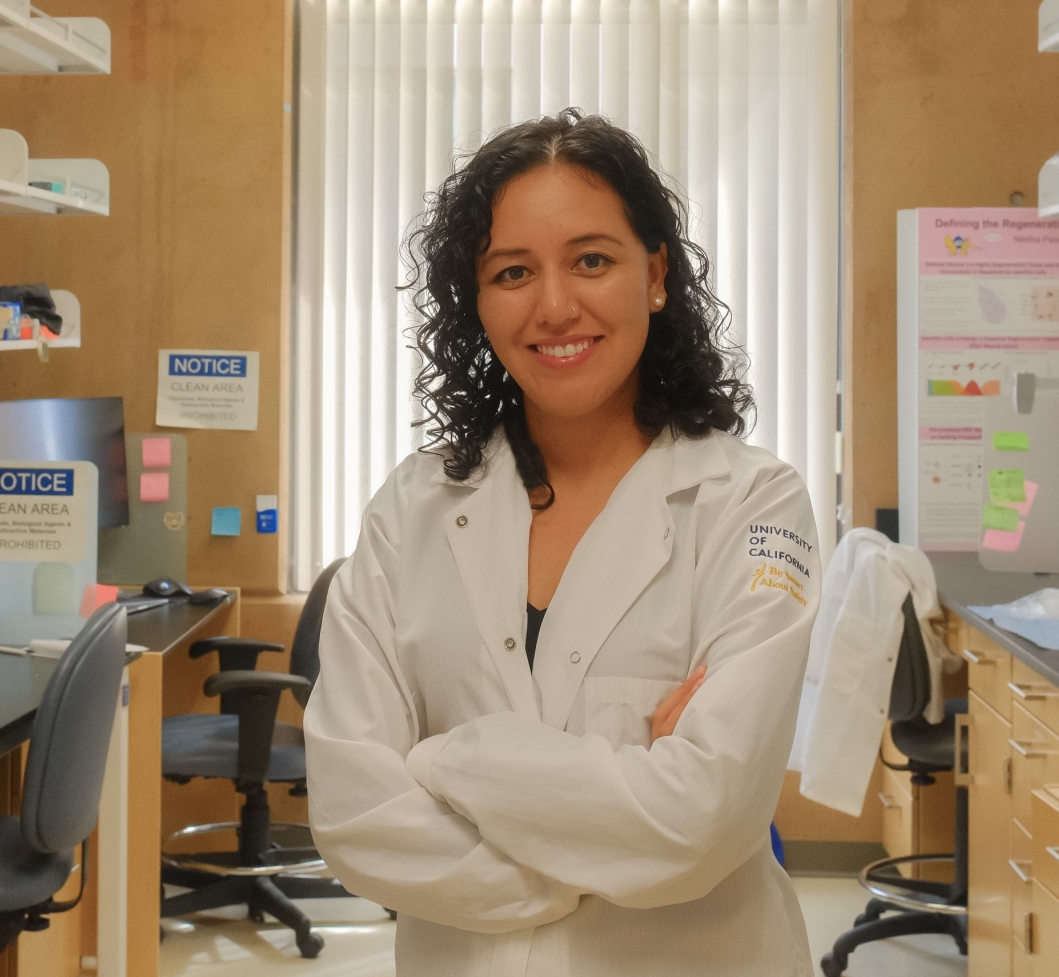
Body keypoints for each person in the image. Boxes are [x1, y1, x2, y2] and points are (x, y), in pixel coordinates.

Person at [304, 109, 821, 976]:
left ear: (655, 275)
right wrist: (608, 832)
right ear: (476, 300)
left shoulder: (751, 505)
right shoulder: (411, 511)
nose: (553, 306)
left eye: (591, 260)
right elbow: (356, 815)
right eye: (512, 271)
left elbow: (704, 818)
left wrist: (447, 757)